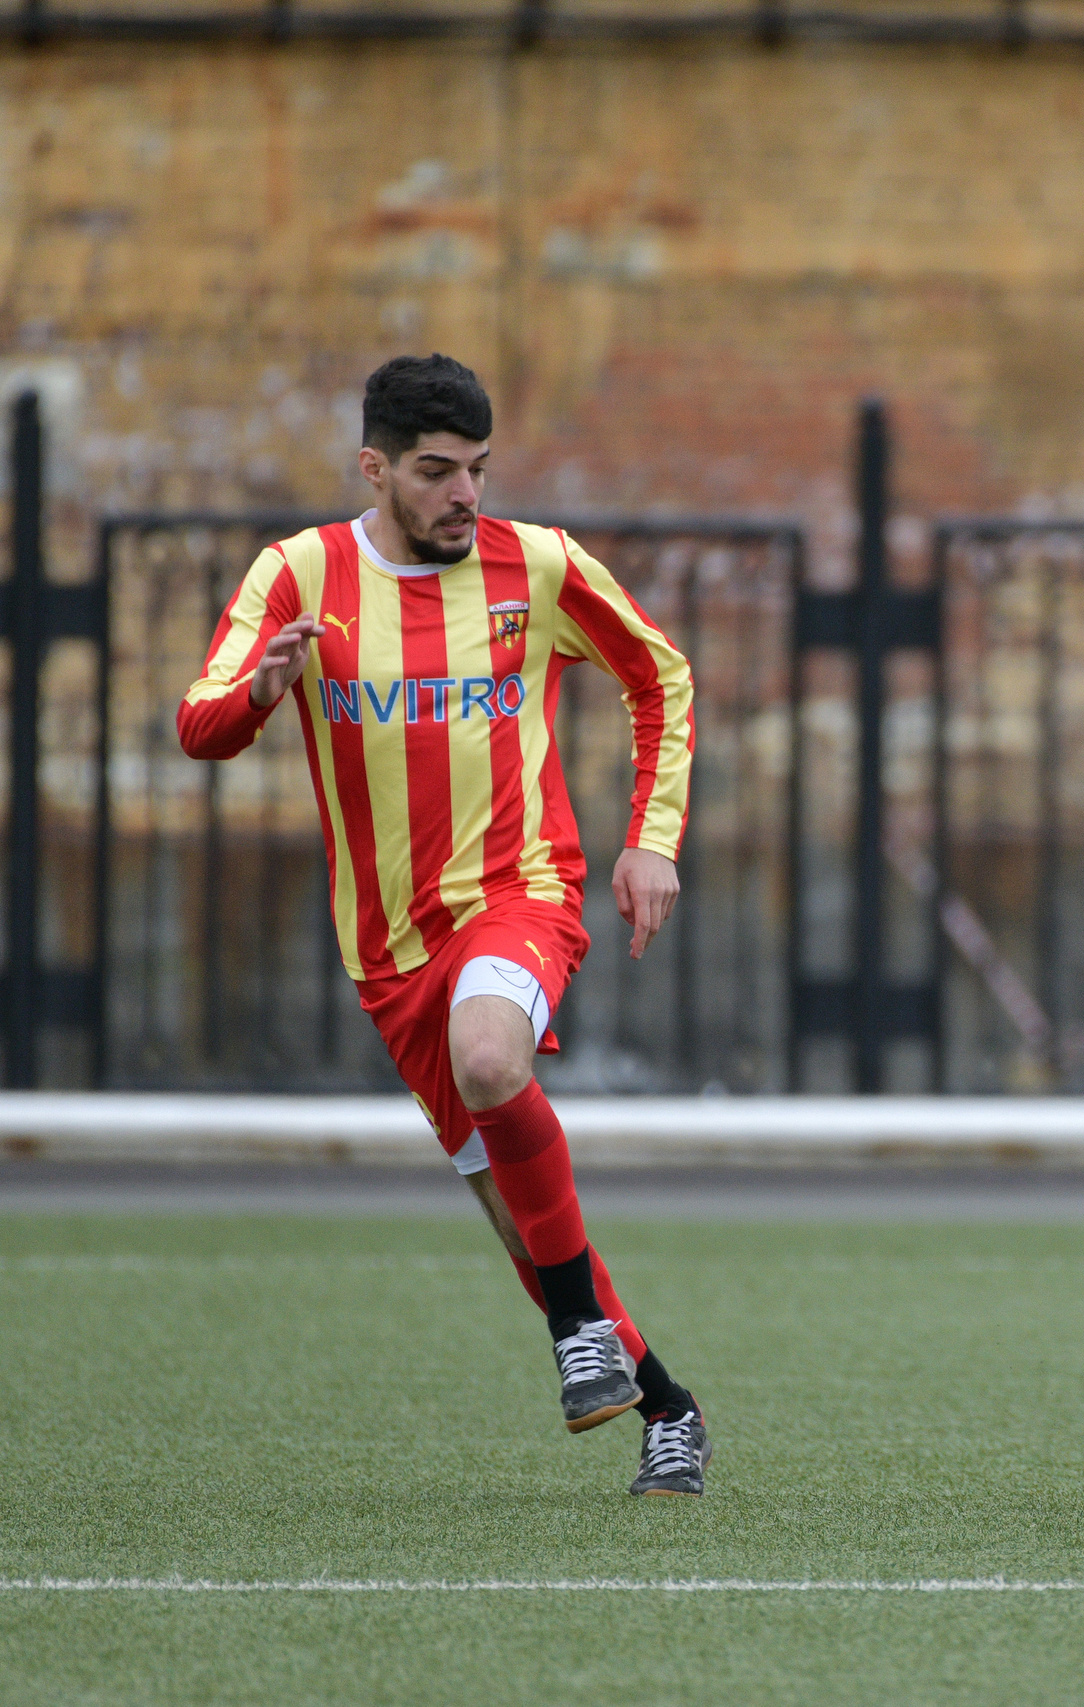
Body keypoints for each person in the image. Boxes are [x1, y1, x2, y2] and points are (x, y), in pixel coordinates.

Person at [177, 354, 712, 1497]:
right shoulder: (297, 573)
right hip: (386, 950)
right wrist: (263, 693)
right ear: (374, 469)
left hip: (521, 893)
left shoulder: (541, 565)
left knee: (488, 1057)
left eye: (477, 470)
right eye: (434, 473)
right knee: (522, 1218)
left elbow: (658, 673)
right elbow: (199, 725)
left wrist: (652, 836)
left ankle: (577, 1331)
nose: (463, 493)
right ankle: (667, 1404)